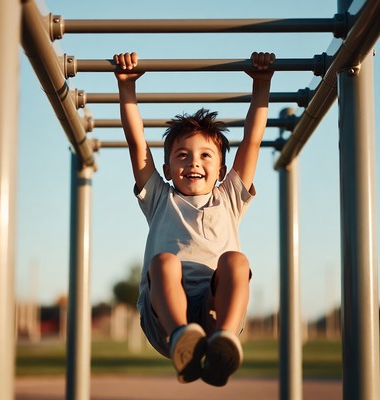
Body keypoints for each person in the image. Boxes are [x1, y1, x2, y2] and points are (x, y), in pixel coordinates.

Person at [113, 51, 275, 386]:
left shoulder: (229, 197)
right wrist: (126, 88)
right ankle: (182, 341)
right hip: (165, 317)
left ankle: (223, 344)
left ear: (221, 169)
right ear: (167, 169)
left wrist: (262, 84)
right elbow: (136, 142)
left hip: (217, 311)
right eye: (182, 155)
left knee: (235, 261)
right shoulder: (160, 198)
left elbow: (253, 140)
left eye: (205, 155)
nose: (193, 163)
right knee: (164, 262)